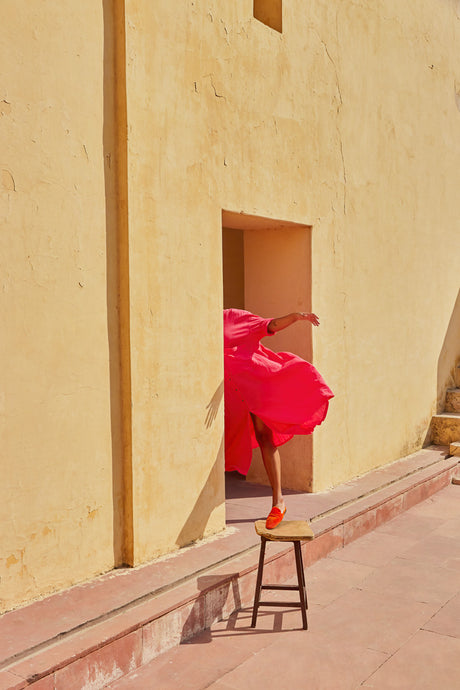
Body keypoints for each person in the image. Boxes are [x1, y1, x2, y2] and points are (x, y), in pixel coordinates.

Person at [224, 308, 333, 529]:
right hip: (233, 393)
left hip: (259, 383)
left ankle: (278, 501)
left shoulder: (233, 317)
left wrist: (294, 317)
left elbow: (270, 325)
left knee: (265, 438)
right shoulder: (198, 324)